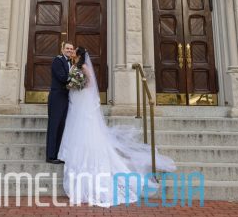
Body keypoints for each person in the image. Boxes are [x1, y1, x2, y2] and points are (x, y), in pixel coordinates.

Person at [58, 47, 176, 207]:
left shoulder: (84, 67)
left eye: (75, 53)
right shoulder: (74, 65)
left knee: (85, 125)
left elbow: (91, 83)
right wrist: (74, 85)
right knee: (76, 125)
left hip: (83, 99)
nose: (73, 54)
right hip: (76, 99)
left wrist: (79, 85)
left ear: (79, 55)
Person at [46, 41, 75, 163]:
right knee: (54, 126)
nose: (69, 50)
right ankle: (51, 156)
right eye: (67, 48)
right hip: (57, 97)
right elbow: (62, 77)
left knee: (62, 127)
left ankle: (58, 154)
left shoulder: (71, 62)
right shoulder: (58, 60)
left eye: (71, 49)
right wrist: (76, 75)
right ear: (62, 49)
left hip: (66, 97)